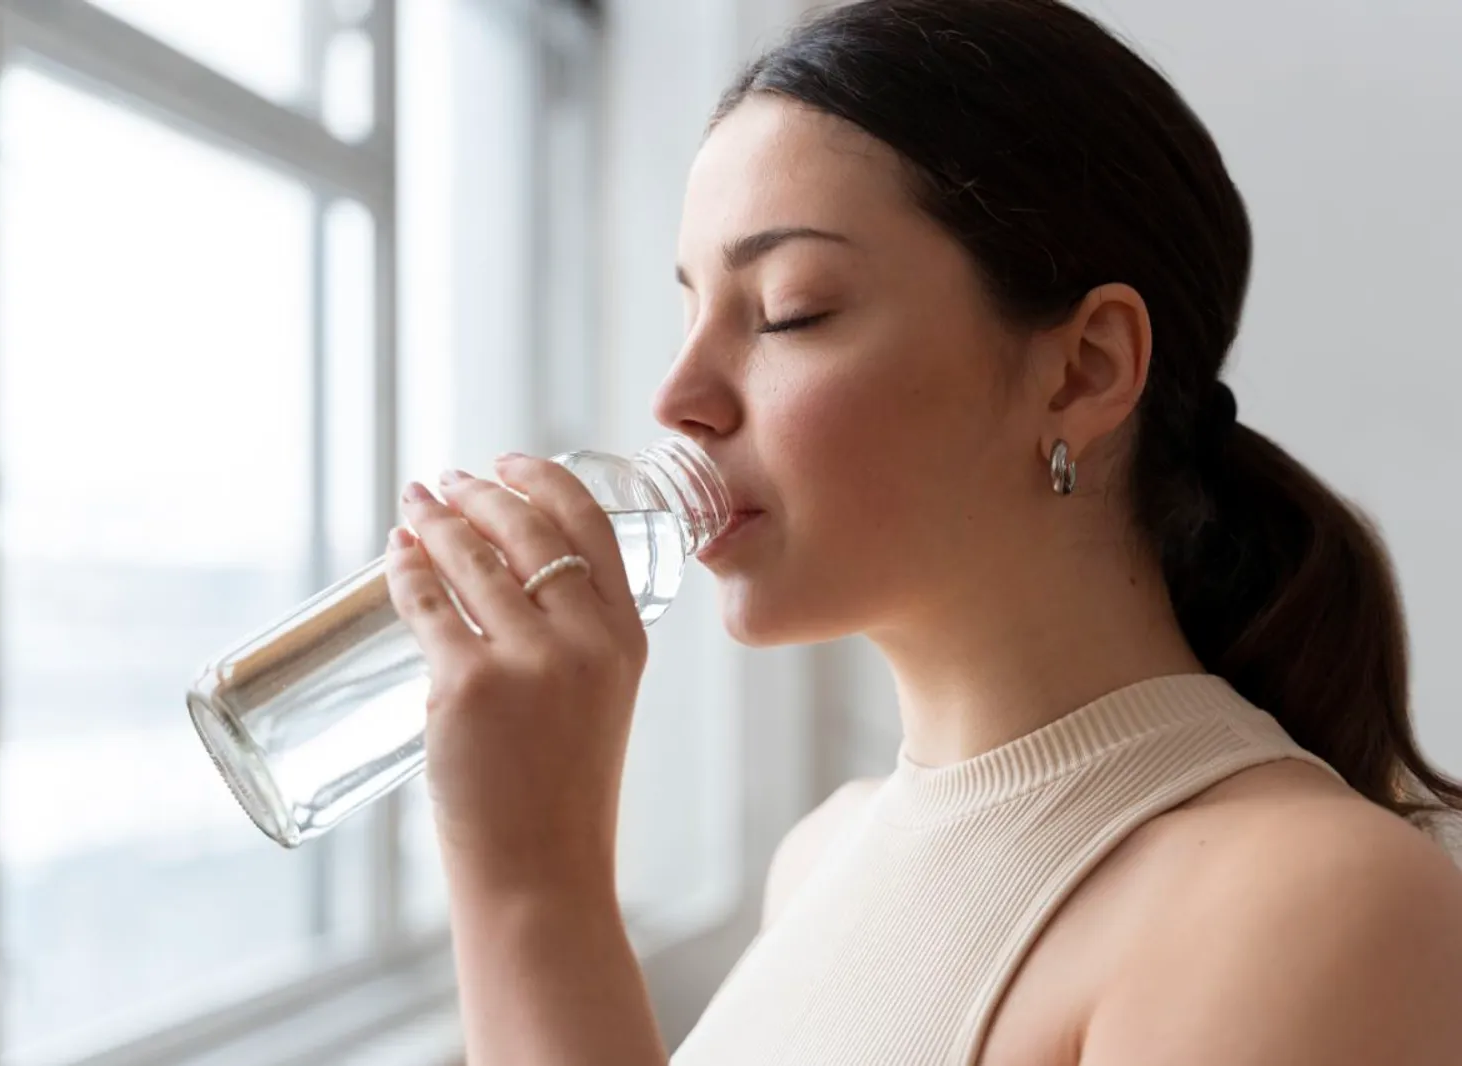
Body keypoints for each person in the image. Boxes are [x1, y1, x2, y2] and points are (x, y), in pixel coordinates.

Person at [381, 1, 1462, 1063]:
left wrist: (530, 883)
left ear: (1084, 369)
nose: (677, 395)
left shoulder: (1312, 903)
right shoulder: (821, 854)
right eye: (688, 310)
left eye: (789, 309)